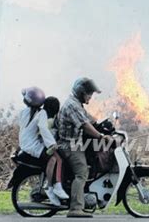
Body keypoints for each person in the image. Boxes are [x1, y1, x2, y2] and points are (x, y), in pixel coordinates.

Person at [56, 77, 112, 218]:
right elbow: (85, 126)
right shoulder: (72, 106)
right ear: (81, 92)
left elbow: (88, 120)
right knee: (81, 173)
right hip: (69, 146)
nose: (90, 97)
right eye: (89, 94)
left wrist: (103, 126)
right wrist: (100, 136)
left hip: (76, 144)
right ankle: (75, 209)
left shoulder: (77, 104)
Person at [18, 87, 65, 206]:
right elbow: (43, 129)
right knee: (55, 158)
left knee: (54, 158)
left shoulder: (24, 112)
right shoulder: (42, 113)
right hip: (33, 146)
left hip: (25, 144)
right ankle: (51, 187)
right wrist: (52, 144)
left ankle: (52, 186)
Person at [42, 96, 69, 204]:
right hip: (48, 148)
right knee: (59, 160)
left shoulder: (46, 119)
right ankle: (55, 185)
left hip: (48, 146)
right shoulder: (50, 122)